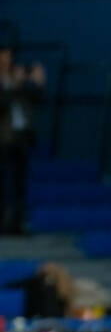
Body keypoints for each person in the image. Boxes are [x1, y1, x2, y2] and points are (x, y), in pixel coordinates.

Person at [0, 46, 45, 234]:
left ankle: (18, 223)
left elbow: (38, 100)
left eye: (9, 56)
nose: (7, 60)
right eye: (3, 56)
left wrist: (38, 83)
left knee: (20, 184)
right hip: (3, 139)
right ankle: (4, 223)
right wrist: (14, 85)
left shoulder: (18, 78)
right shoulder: (10, 83)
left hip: (22, 138)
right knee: (3, 183)